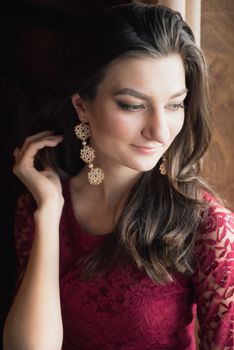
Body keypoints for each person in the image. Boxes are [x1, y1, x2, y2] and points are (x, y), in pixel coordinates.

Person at [3, 3, 234, 350]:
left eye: (175, 104)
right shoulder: (37, 208)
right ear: (82, 105)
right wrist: (49, 213)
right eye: (132, 105)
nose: (159, 131)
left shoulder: (207, 226)